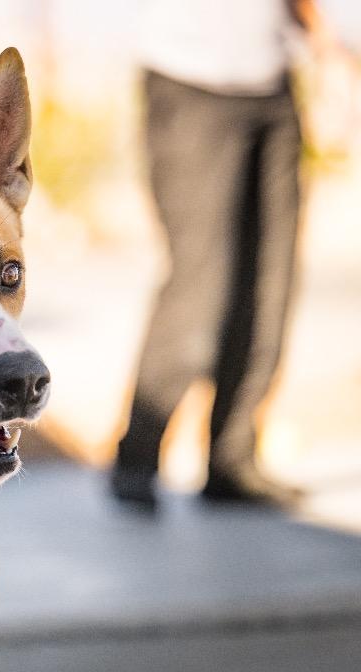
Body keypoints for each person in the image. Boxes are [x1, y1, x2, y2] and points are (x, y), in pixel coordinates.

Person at [111, 0, 343, 509]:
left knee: (271, 285)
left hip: (274, 85)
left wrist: (323, 42)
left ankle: (232, 460)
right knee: (201, 289)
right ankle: (138, 457)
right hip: (191, 81)